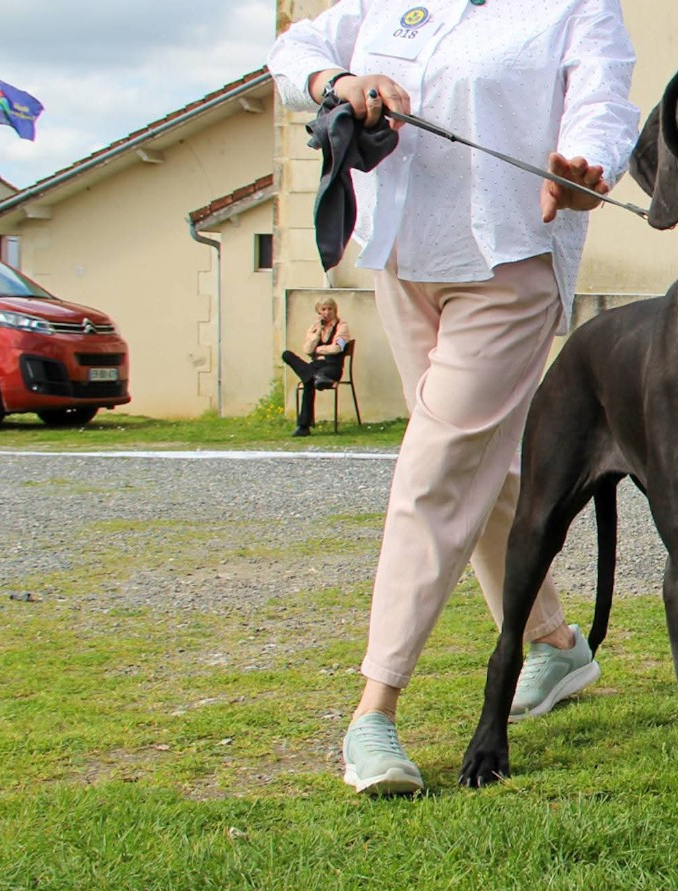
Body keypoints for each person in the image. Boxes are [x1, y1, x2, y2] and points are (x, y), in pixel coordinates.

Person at [268, 0, 639, 795]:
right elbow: (292, 51)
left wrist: (584, 169)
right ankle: (557, 639)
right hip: (402, 260)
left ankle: (374, 711)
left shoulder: (575, 8)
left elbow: (606, 101)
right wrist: (341, 79)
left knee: (434, 473)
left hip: (510, 265)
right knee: (482, 470)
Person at [282, 297, 350, 437]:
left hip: (332, 366)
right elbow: (307, 350)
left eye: (330, 309)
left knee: (308, 382)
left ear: (335, 310)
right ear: (318, 312)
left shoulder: (342, 326)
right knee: (287, 355)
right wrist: (318, 331)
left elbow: (337, 348)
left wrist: (319, 350)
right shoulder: (314, 328)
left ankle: (303, 426)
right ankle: (317, 378)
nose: (327, 312)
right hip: (316, 366)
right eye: (323, 309)